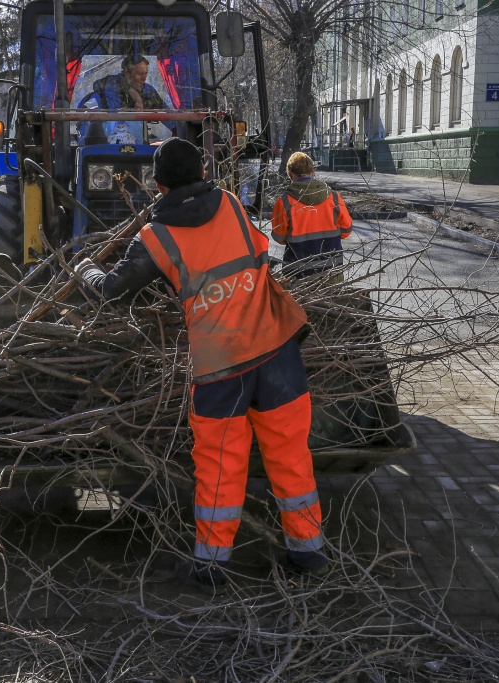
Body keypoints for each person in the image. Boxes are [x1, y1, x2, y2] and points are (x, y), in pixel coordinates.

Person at [75, 138, 328, 587]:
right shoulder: (231, 203)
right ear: (204, 172)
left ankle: (212, 565)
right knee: (291, 456)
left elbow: (114, 291)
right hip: (277, 347)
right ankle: (308, 552)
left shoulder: (155, 237)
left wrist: (85, 271)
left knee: (219, 466)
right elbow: (253, 254)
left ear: (157, 185)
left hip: (220, 365)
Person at [270, 152, 353, 279]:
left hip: (297, 274)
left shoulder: (284, 202)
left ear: (291, 174)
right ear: (312, 172)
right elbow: (347, 230)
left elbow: (279, 237)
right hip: (331, 272)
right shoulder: (334, 198)